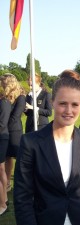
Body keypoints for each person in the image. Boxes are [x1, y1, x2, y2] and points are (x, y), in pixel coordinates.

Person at [14, 70, 80, 225]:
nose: (69, 111)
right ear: (53, 102)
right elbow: (22, 197)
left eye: (75, 104)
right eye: (63, 103)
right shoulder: (31, 143)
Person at [4, 74, 26, 193]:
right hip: (5, 131)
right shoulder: (5, 96)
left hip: (14, 132)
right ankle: (7, 183)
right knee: (7, 158)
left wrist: (3, 126)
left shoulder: (21, 97)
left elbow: (15, 117)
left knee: (20, 159)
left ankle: (22, 184)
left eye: (3, 83)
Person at [0, 75, 12, 215]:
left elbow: (2, 123)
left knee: (1, 171)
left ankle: (2, 204)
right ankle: (3, 201)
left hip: (2, 137)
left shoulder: (4, 101)